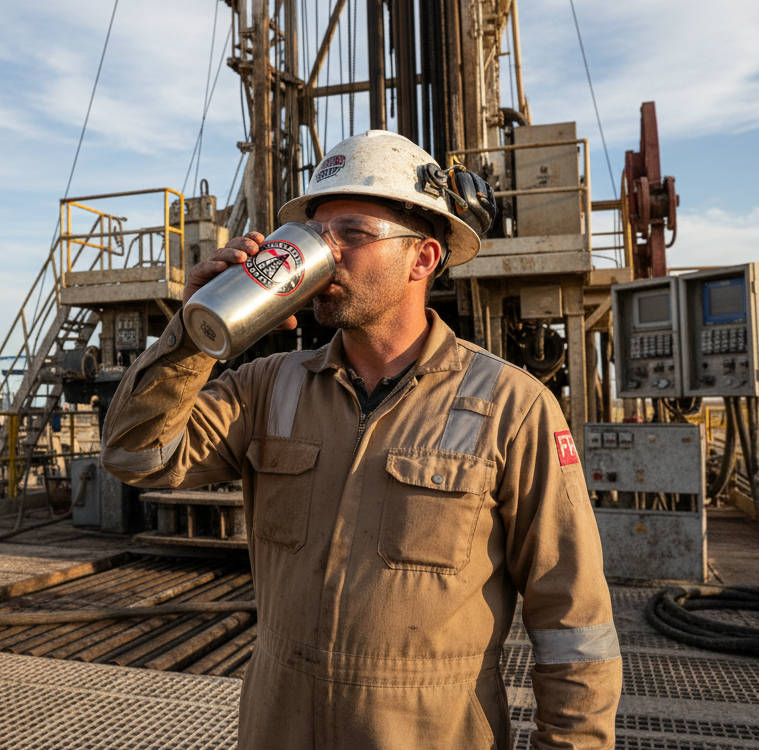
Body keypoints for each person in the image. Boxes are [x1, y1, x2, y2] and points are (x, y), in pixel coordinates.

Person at [101, 130, 621, 749]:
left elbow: (574, 623)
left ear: (423, 259)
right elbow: (137, 456)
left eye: (353, 234)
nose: (328, 254)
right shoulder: (269, 387)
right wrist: (191, 333)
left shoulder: (513, 407)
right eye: (317, 235)